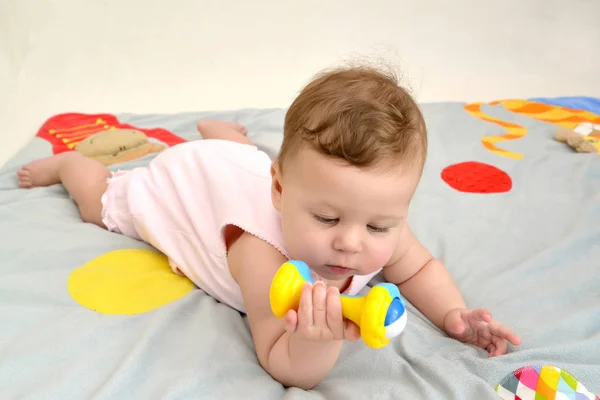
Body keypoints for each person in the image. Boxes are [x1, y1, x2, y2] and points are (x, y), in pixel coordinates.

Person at [17, 65, 520, 389]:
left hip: (240, 168)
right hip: (188, 185)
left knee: (242, 158)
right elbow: (279, 357)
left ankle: (224, 139)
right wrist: (316, 341)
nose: (350, 242)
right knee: (101, 204)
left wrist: (456, 315)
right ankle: (69, 166)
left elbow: (420, 268)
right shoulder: (261, 254)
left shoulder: (370, 226)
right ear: (279, 192)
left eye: (380, 225)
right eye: (326, 219)